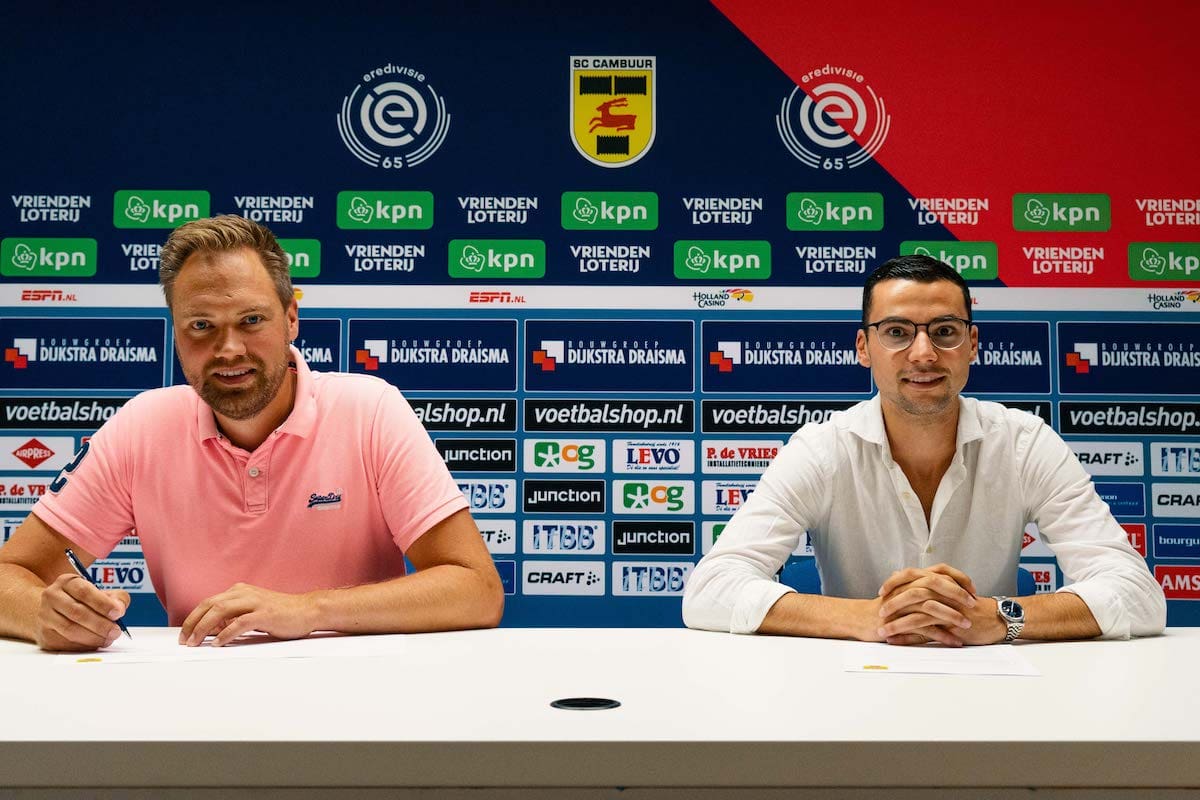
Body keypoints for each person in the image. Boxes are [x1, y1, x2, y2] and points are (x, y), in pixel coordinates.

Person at [0, 215, 504, 651]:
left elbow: (477, 589)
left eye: (251, 320)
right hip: (198, 706)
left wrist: (308, 610)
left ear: (291, 319)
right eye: (201, 326)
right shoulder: (141, 428)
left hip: (354, 701)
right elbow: (10, 576)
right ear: (175, 333)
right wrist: (45, 614)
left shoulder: (370, 412)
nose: (229, 349)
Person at [683, 255, 1165, 645]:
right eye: (897, 332)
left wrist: (999, 618)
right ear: (863, 347)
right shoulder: (822, 450)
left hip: (998, 689)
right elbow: (711, 589)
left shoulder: (1024, 443)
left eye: (944, 331)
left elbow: (1138, 595)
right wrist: (868, 618)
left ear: (972, 344)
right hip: (850, 690)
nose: (923, 354)